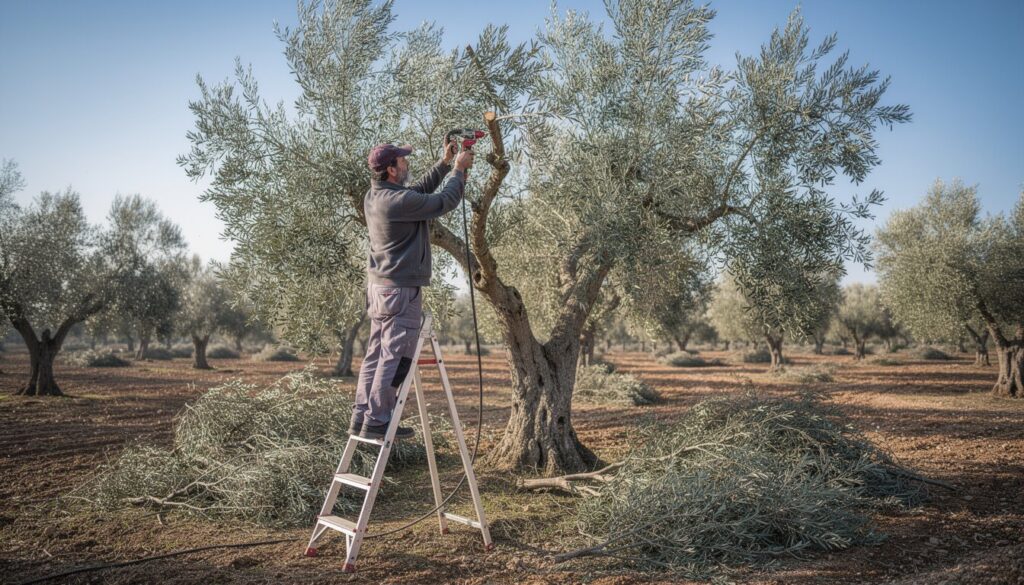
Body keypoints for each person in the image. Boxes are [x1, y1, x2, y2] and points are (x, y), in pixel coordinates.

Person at [349, 139, 474, 440]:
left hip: (380, 289)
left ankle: (362, 415)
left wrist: (444, 165)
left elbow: (416, 192)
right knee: (397, 355)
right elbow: (443, 202)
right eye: (402, 161)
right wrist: (459, 170)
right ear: (391, 169)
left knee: (376, 352)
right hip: (402, 291)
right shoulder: (398, 202)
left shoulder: (375, 196)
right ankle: (379, 420)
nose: (407, 164)